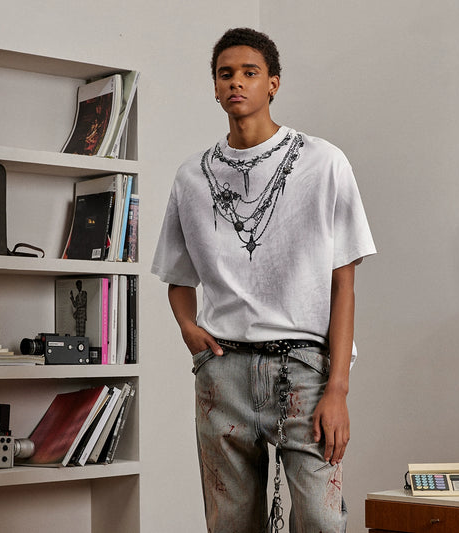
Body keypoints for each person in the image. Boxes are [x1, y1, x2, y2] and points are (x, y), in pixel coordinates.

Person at [151, 27, 376, 533]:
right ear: (214, 87)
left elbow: (344, 284)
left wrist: (338, 388)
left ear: (273, 83)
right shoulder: (192, 177)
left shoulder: (323, 163)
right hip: (223, 372)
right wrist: (188, 326)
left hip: (305, 369)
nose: (236, 82)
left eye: (249, 72)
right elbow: (177, 276)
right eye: (225, 74)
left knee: (321, 521)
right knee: (230, 523)